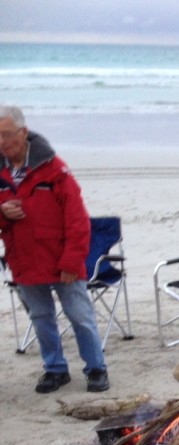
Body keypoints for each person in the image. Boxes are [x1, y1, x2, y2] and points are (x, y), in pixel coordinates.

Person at [0, 105, 109, 393]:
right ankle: (55, 369)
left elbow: (78, 220)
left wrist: (72, 262)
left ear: (23, 133)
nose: (1, 142)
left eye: (6, 135)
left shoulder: (55, 168)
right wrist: (3, 212)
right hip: (24, 259)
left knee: (80, 316)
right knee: (40, 317)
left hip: (61, 259)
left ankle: (96, 368)